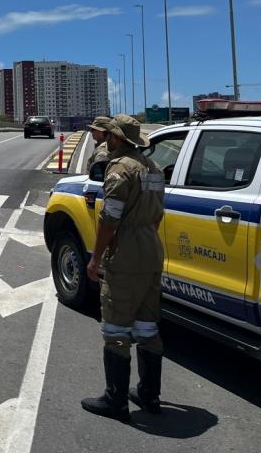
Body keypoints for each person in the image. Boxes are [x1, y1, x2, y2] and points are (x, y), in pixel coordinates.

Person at [81, 114, 165, 421]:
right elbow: (157, 214)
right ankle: (149, 395)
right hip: (152, 249)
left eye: (109, 137)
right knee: (148, 326)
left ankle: (115, 401)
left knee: (116, 328)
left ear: (116, 139)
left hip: (127, 252)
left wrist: (95, 258)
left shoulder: (120, 169)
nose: (106, 141)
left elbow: (110, 219)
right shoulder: (153, 168)